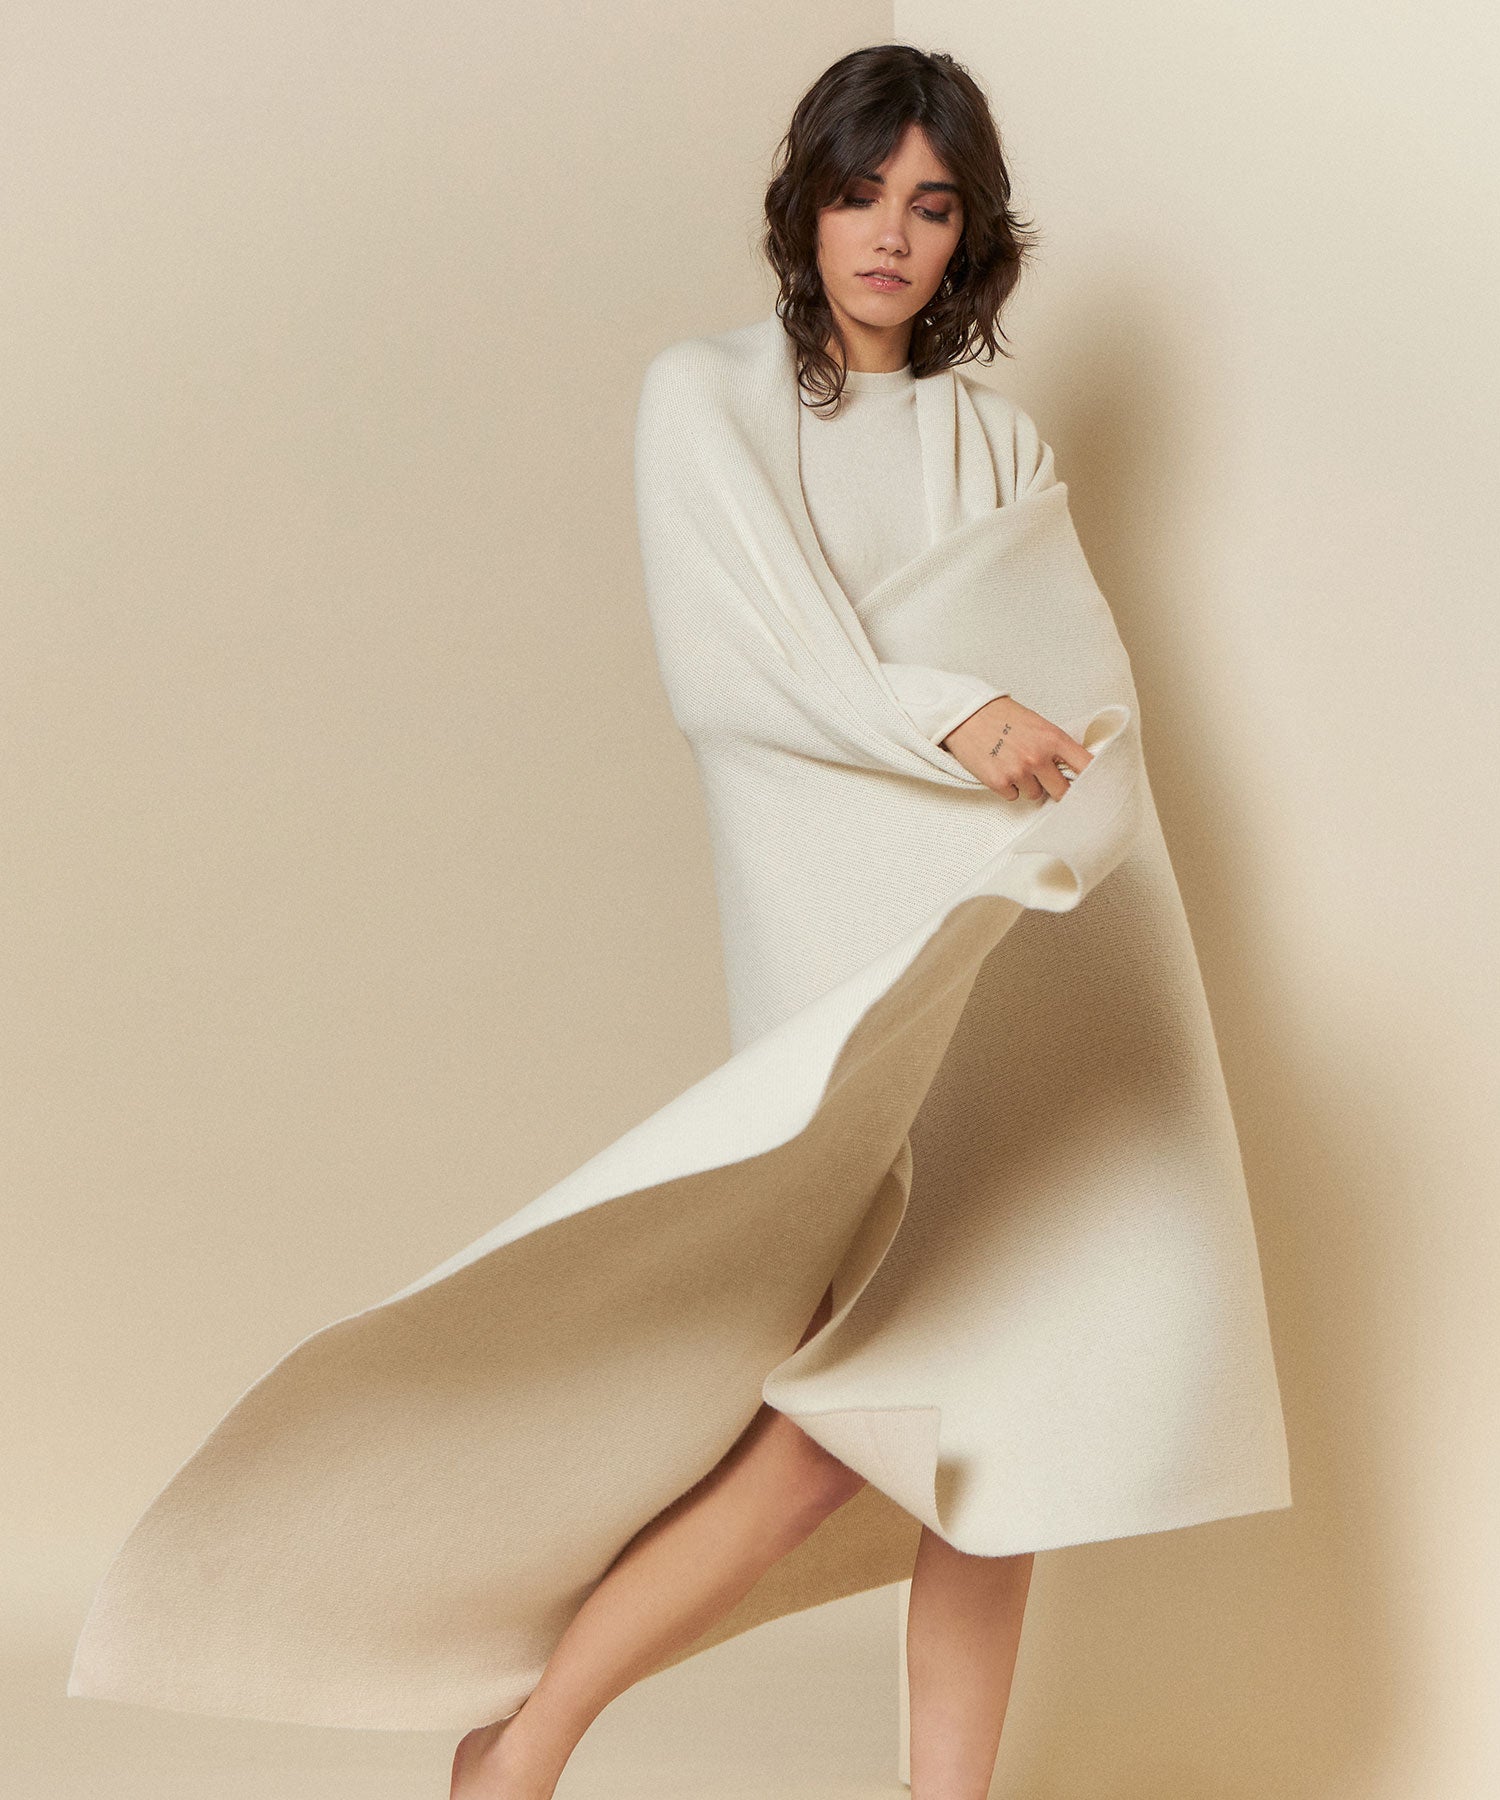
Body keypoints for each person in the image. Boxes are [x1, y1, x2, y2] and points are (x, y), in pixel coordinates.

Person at [451, 43, 1099, 1800]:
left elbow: (1067, 717)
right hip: (846, 969)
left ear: (969, 238)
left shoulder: (997, 443)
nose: (889, 234)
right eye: (858, 192)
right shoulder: (711, 400)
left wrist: (1001, 738)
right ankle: (526, 1740)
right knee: (841, 1430)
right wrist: (950, 716)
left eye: (931, 206)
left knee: (1002, 1436)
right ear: (805, 204)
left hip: (1003, 967)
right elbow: (742, 680)